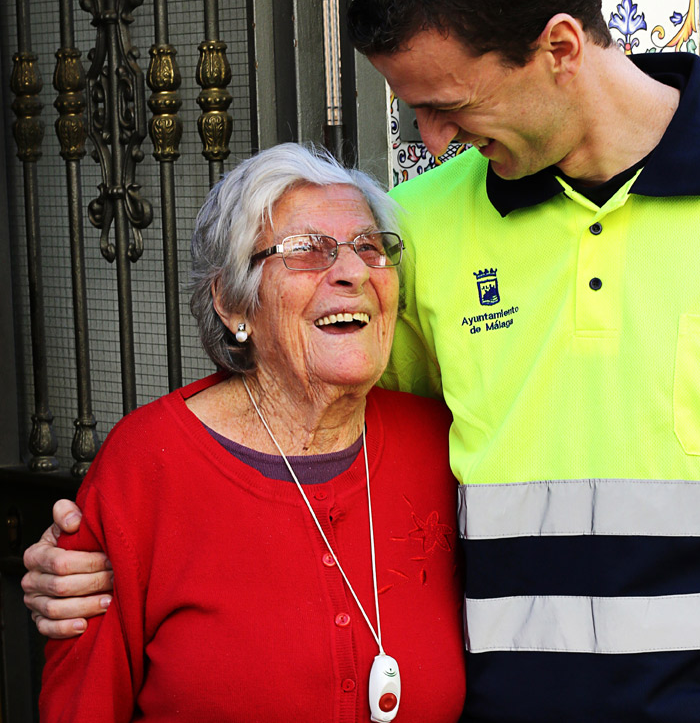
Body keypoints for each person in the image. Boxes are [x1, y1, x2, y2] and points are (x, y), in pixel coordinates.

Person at [22, 0, 700, 722]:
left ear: (558, 49)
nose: (432, 138)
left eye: (446, 104)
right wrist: (116, 552)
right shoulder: (413, 228)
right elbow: (316, 430)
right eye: (413, 109)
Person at [36, 142, 466, 722]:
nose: (353, 272)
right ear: (232, 301)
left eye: (370, 247)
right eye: (307, 251)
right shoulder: (148, 464)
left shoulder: (439, 444)